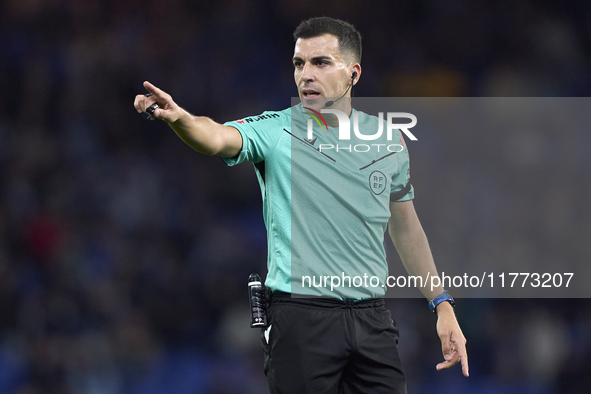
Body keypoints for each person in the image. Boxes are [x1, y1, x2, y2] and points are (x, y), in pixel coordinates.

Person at [134, 16, 468, 394]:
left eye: (321, 62)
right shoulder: (276, 130)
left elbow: (405, 226)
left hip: (372, 319)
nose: (306, 74)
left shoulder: (388, 141)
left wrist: (442, 305)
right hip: (301, 318)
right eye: (299, 63)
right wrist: (181, 119)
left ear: (353, 73)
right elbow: (215, 138)